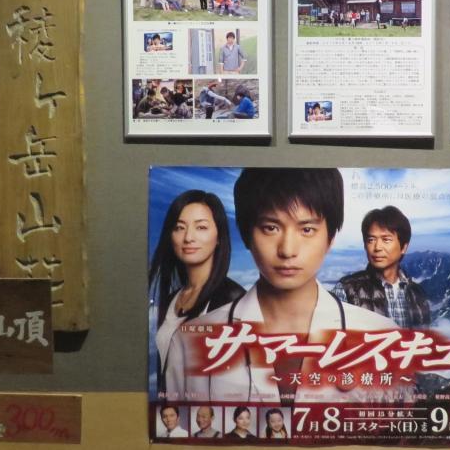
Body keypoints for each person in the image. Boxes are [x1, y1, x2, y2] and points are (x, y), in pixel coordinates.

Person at [163, 168, 394, 404]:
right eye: (270, 228)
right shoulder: (188, 343)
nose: (287, 250)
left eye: (307, 230)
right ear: (246, 235)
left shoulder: (383, 338)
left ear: (331, 238)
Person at [150, 189, 246, 398]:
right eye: (179, 227)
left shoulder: (234, 300)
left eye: (201, 227)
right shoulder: (173, 299)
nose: (188, 237)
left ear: (219, 237)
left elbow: (239, 388)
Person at [335, 205, 432, 328]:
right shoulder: (346, 290)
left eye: (386, 240)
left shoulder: (417, 293)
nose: (377, 247)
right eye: (371, 240)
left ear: (403, 247)